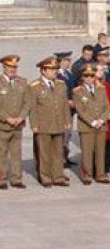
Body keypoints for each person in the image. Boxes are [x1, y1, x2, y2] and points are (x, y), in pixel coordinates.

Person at [27, 57, 71, 187]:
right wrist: (34, 124)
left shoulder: (61, 85)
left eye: (55, 69)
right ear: (43, 71)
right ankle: (45, 176)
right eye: (51, 70)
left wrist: (67, 120)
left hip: (58, 122)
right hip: (43, 124)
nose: (54, 72)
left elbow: (64, 105)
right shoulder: (34, 86)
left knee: (58, 152)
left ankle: (58, 176)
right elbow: (32, 108)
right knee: (44, 152)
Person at [72, 64, 110, 184]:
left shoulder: (101, 88)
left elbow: (107, 106)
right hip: (87, 126)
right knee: (87, 152)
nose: (89, 78)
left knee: (100, 151)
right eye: (86, 76)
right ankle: (87, 175)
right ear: (82, 77)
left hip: (101, 124)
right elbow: (80, 109)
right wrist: (93, 122)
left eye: (92, 75)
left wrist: (101, 120)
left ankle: (100, 174)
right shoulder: (78, 91)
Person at [0, 54, 28, 189]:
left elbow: (27, 103)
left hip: (18, 124)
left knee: (17, 153)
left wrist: (21, 117)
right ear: (4, 67)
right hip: (3, 125)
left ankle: (16, 179)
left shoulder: (22, 82)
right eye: (10, 67)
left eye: (15, 67)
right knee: (2, 153)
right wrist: (7, 118)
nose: (13, 69)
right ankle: (1, 180)